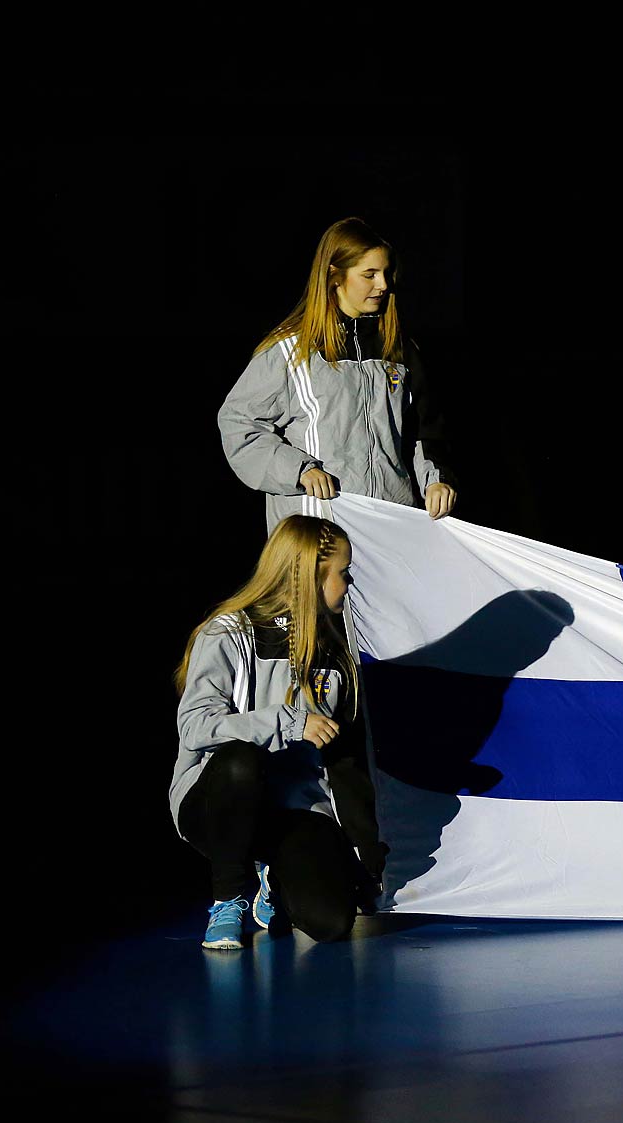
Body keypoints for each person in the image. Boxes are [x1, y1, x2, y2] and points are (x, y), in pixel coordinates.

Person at [171, 516, 384, 948]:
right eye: (343, 573)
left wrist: (364, 852)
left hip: (292, 806)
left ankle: (276, 877)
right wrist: (288, 722)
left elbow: (344, 760)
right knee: (240, 760)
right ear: (310, 576)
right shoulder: (229, 631)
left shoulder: (335, 648)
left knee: (331, 923)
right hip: (217, 800)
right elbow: (195, 727)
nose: (349, 583)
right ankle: (228, 899)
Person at [219, 218, 459, 532]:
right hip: (319, 533)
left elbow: (425, 433)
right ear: (335, 275)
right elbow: (239, 423)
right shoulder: (292, 350)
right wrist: (299, 470)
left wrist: (436, 482)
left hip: (391, 529)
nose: (383, 285)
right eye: (369, 274)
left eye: (387, 273)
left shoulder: (400, 350)